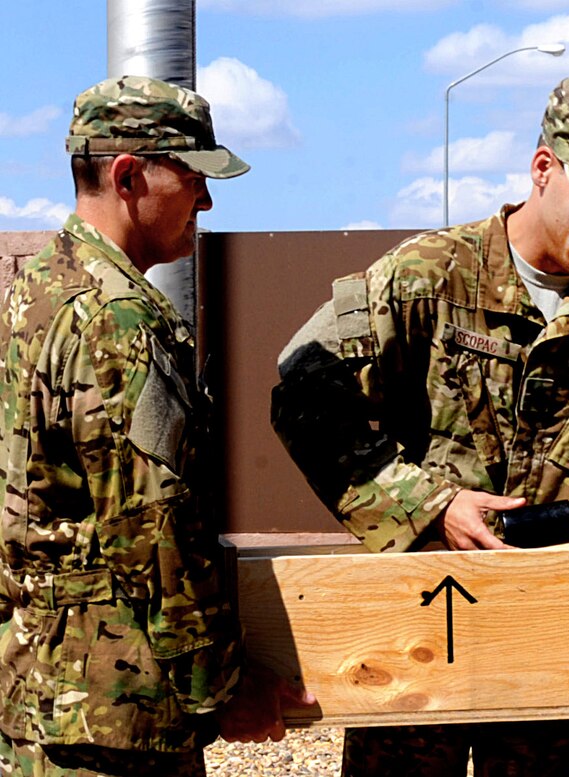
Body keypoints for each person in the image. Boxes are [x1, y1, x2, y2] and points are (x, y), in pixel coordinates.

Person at [272, 75, 569, 776]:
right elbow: (305, 396)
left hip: (556, 633)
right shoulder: (428, 277)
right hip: (421, 631)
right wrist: (428, 504)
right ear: (542, 169)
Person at [0, 76, 311, 777]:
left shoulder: (37, 290)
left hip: (39, 694)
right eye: (193, 176)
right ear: (127, 175)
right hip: (118, 717)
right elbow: (156, 532)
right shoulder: (119, 320)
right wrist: (219, 689)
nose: (206, 199)